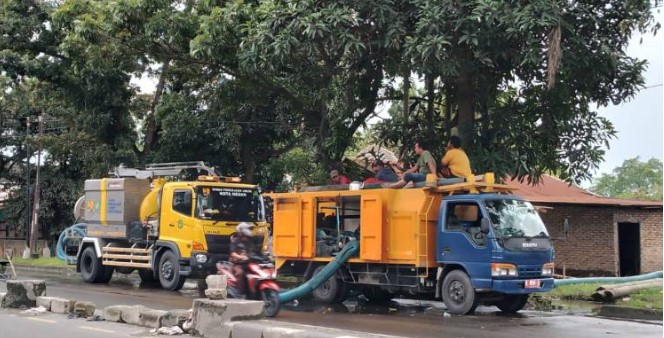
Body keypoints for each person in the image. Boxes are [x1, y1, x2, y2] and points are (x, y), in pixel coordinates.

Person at [227, 222, 258, 298]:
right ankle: (239, 293)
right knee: (240, 273)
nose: (250, 230)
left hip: (249, 264)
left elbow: (255, 252)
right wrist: (240, 257)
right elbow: (233, 253)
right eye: (248, 229)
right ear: (241, 231)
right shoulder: (236, 241)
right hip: (237, 264)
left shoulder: (250, 241)